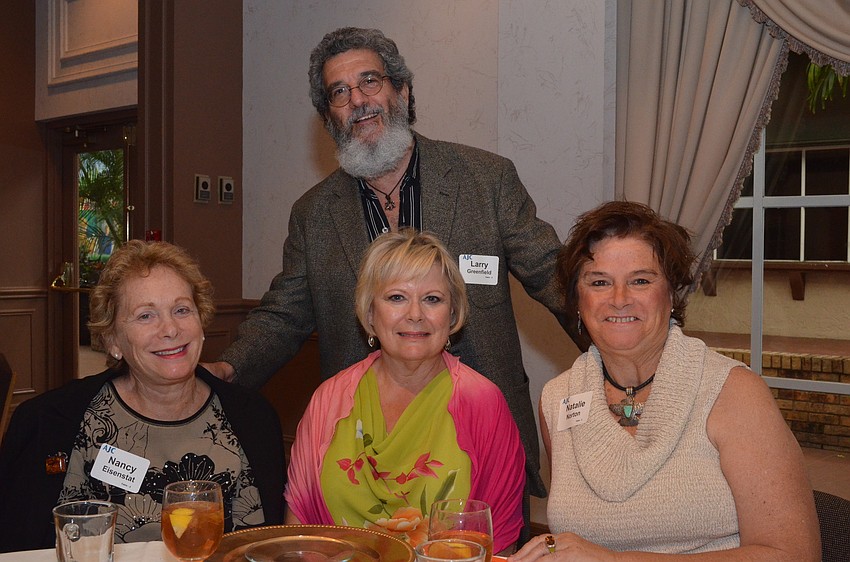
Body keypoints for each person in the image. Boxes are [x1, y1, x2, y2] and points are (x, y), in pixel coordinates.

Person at [205, 27, 589, 532]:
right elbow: (283, 314)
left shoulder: (485, 179)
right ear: (328, 118)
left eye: (370, 81)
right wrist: (229, 367)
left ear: (402, 91)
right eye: (339, 92)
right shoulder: (315, 214)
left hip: (479, 444)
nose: (358, 100)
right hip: (363, 458)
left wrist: (624, 352)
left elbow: (553, 275)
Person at [510, 201, 820, 560]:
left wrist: (617, 561)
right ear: (577, 301)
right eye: (599, 282)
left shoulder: (733, 392)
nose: (619, 299)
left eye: (640, 281)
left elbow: (794, 554)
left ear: (671, 294)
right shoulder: (557, 399)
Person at [0, 241, 286, 552]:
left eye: (181, 310)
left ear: (201, 322)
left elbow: (271, 547)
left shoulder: (254, 419)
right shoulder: (47, 422)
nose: (170, 329)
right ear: (113, 340)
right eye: (146, 316)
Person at [285, 229, 525, 552]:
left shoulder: (484, 403)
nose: (415, 314)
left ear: (453, 314)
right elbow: (298, 535)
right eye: (396, 297)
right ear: (370, 313)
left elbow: (499, 544)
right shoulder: (328, 401)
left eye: (432, 299)